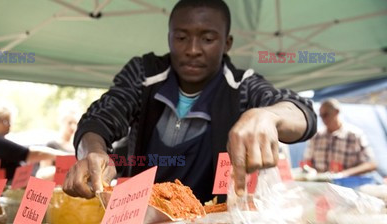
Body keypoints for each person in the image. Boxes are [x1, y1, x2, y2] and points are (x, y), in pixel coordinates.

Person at [63, 0, 317, 202]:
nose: (193, 49)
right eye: (182, 37)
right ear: (169, 38)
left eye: (207, 39)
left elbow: (302, 113)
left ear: (227, 43)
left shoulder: (242, 86)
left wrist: (270, 116)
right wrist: (92, 152)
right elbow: (101, 118)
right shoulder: (144, 73)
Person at [0, 104, 67, 185]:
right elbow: (32, 154)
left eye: (10, 121)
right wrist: (64, 156)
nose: (9, 125)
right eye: (5, 122)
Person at [303, 99, 377, 177]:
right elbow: (307, 161)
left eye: (326, 115)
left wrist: (344, 174)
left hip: (347, 185)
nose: (323, 119)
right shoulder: (316, 136)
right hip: (321, 184)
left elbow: (371, 164)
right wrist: (310, 171)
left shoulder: (355, 135)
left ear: (336, 112)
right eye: (321, 116)